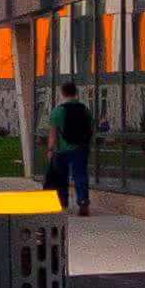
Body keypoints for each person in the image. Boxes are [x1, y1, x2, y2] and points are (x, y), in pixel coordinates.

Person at [52, 81, 95, 215]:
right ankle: (83, 202)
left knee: (61, 176)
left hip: (62, 150)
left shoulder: (59, 110)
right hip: (80, 148)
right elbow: (91, 128)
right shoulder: (85, 109)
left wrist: (49, 149)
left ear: (63, 93)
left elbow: (53, 132)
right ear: (75, 92)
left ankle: (63, 201)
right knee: (80, 175)